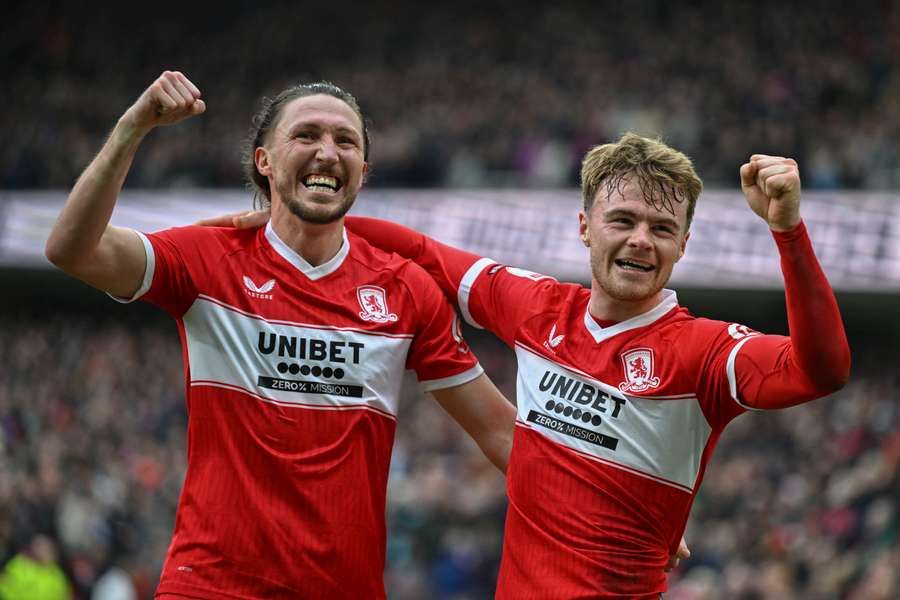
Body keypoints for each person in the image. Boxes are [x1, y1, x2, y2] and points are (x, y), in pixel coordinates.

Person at [217, 133, 851, 598]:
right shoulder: (535, 306)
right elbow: (419, 251)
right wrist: (291, 223)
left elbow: (819, 369)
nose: (639, 240)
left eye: (662, 229)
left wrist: (789, 231)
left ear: (683, 245)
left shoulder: (706, 352)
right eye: (622, 220)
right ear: (584, 226)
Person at [44, 70, 518, 599]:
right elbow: (72, 248)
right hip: (212, 589)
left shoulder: (404, 289)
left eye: (346, 141)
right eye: (306, 135)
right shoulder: (206, 260)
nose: (327, 151)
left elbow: (504, 436)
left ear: (362, 171)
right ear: (264, 161)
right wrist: (132, 129)